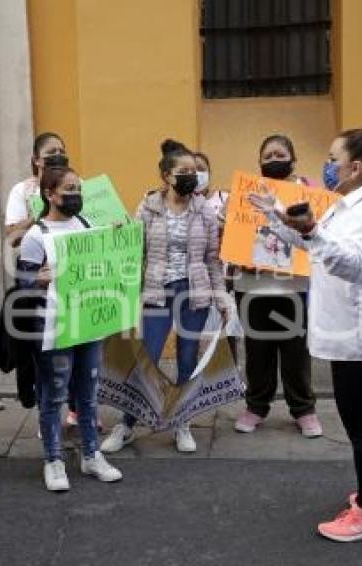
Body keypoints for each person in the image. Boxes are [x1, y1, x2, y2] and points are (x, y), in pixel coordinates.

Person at [250, 122, 362, 542]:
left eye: (334, 159)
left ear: (355, 167)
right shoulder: (348, 205)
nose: (329, 166)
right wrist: (277, 219)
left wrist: (311, 231)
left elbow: (350, 262)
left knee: (361, 426)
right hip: (354, 331)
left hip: (361, 334)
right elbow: (315, 246)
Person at [101, 139, 231, 454]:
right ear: (166, 176)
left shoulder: (205, 212)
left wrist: (222, 298)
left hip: (193, 291)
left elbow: (213, 259)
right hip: (156, 291)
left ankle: (180, 421)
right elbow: (133, 250)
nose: (193, 176)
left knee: (188, 359)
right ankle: (127, 424)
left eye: (196, 171)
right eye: (184, 171)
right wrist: (119, 234)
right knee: (148, 358)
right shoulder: (148, 207)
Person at [17, 165, 122, 491]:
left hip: (88, 326)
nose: (76, 195)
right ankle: (54, 460)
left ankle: (91, 455)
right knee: (53, 396)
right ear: (50, 194)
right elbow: (22, 282)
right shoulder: (36, 236)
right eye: (69, 189)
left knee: (88, 395)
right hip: (54, 327)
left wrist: (118, 240)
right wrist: (38, 279)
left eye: (79, 189)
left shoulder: (88, 224)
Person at [234, 134, 321, 438]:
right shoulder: (246, 193)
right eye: (267, 155)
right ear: (259, 162)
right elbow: (234, 235)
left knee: (296, 352)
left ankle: (304, 410)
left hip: (292, 287)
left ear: (293, 159)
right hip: (252, 285)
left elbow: (317, 233)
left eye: (279, 154)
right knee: (257, 352)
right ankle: (256, 407)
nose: (273, 160)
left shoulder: (308, 192)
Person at [5, 132, 69, 247]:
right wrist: (40, 213)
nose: (58, 155)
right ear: (36, 160)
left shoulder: (78, 185)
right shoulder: (22, 190)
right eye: (51, 152)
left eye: (62, 152)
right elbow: (12, 238)